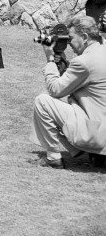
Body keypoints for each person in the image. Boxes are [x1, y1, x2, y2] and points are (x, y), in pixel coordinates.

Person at [31, 15, 106, 168]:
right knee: (69, 100)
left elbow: (55, 90)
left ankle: (53, 158)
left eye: (71, 38)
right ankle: (88, 152)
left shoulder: (83, 62)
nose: (69, 43)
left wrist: (50, 60)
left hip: (98, 134)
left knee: (43, 102)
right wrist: (64, 62)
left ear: (84, 37)